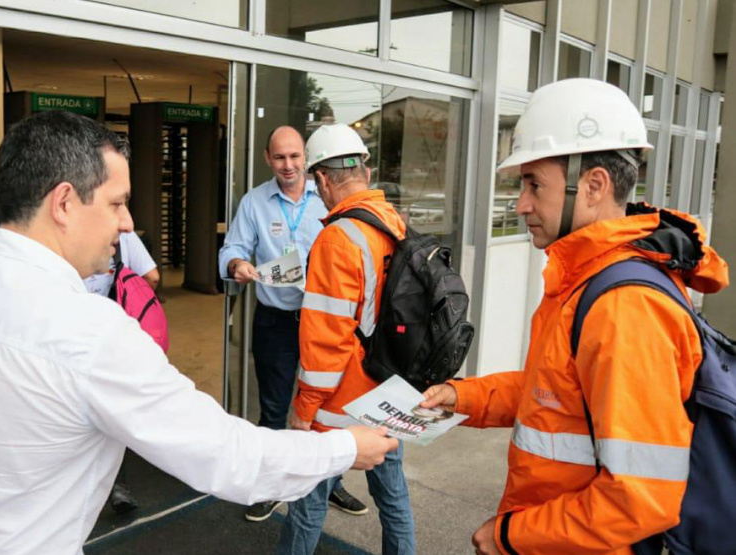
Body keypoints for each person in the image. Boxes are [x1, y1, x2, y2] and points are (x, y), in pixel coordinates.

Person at [0, 110, 399, 555]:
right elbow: (228, 457)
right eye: (118, 204)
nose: (128, 224)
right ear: (63, 202)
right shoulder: (88, 330)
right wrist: (346, 446)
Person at [421, 79, 729, 555]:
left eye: (534, 184)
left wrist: (510, 537)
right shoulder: (589, 280)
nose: (521, 204)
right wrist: (462, 397)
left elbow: (639, 498)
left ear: (594, 186)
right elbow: (554, 394)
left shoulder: (624, 307)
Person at [219, 125, 368, 521]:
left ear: (306, 158)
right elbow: (232, 248)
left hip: (327, 321)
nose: (288, 165)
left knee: (328, 409)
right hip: (277, 321)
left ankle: (331, 485)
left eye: (295, 156)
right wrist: (237, 264)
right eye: (280, 157)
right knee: (274, 409)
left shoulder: (329, 196)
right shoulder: (254, 202)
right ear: (268, 159)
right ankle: (272, 488)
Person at [280, 123, 416, 555]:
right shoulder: (394, 223)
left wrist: (304, 412)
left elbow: (326, 343)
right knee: (393, 499)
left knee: (307, 507)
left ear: (322, 179)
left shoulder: (336, 239)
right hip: (389, 392)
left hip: (339, 406)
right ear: (366, 172)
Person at [84, 229, 160, 516]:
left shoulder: (65, 232)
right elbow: (152, 277)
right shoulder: (126, 236)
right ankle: (117, 485)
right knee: (113, 405)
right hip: (113, 334)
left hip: (74, 333)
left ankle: (90, 485)